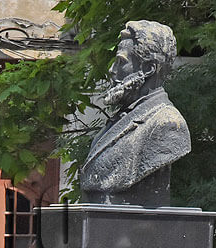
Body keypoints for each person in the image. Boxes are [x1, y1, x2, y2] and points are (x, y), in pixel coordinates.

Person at [80, 20, 191, 207]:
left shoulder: (167, 123)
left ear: (148, 69)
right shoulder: (120, 119)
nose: (112, 70)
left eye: (121, 62)